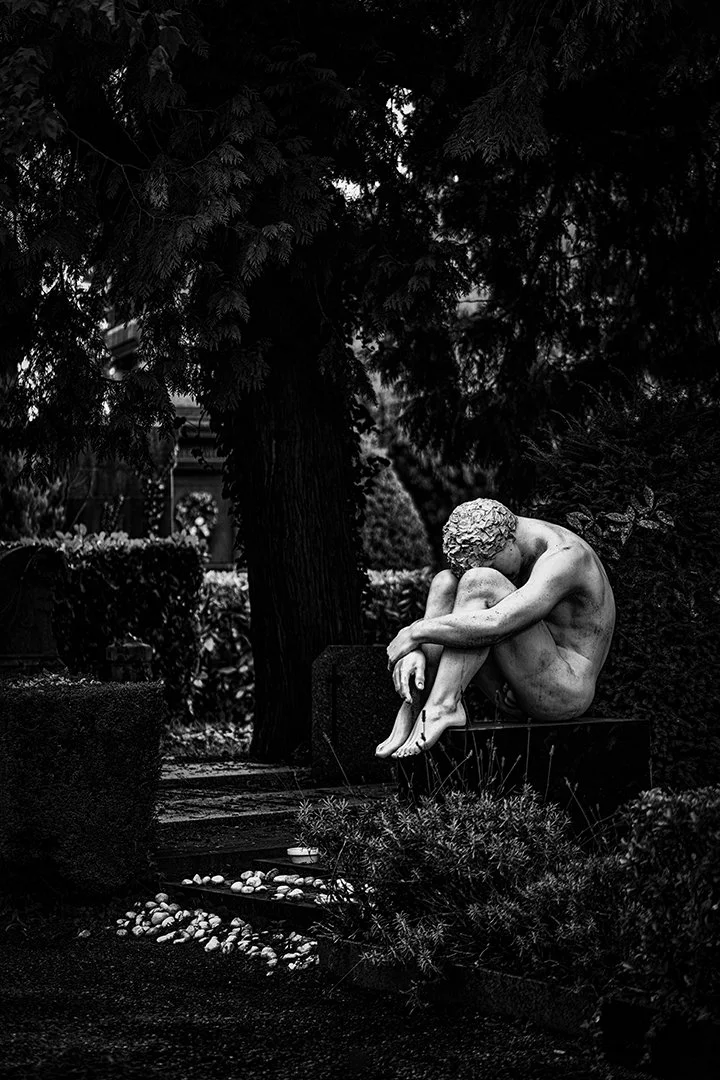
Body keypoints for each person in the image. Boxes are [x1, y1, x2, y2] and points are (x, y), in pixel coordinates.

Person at [376, 498, 616, 759]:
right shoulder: (513, 551)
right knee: (445, 581)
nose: (490, 571)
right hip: (518, 679)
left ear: (509, 540)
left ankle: (444, 704)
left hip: (563, 689)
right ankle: (417, 701)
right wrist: (415, 650)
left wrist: (414, 632)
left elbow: (497, 623)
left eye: (490, 563)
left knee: (480, 582)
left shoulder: (566, 557)